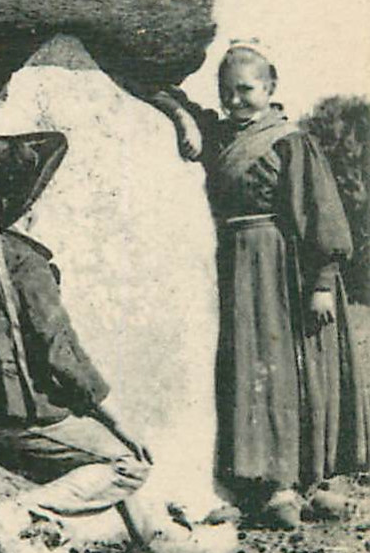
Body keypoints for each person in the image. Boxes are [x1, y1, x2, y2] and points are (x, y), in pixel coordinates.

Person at [0, 133, 164, 553]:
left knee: (101, 443)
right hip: (7, 410)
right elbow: (61, 353)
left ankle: (148, 541)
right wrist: (117, 418)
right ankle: (12, 516)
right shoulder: (25, 263)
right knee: (126, 461)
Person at [147, 43, 369, 527]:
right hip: (231, 262)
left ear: (271, 88)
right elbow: (162, 92)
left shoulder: (291, 141)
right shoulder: (220, 133)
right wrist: (184, 120)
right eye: (227, 91)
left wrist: (323, 283)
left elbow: (321, 214)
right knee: (247, 370)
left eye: (246, 90)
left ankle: (298, 483)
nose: (236, 100)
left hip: (280, 265)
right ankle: (260, 484)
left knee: (288, 369)